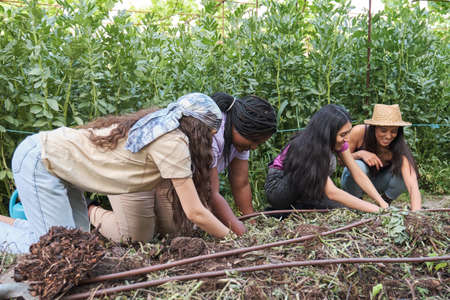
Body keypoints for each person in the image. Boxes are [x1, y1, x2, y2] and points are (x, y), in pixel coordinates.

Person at [0, 93, 232, 254]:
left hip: (58, 167)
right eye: (210, 135)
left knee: (78, 247)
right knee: (54, 249)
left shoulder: (163, 127)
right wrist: (233, 241)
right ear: (201, 131)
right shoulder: (173, 142)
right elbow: (195, 212)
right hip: (41, 160)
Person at [89, 92, 277, 241]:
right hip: (131, 168)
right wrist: (239, 235)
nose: (253, 147)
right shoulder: (212, 134)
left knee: (174, 231)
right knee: (134, 237)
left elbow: (240, 183)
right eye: (253, 141)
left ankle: (144, 216)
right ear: (238, 127)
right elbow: (211, 194)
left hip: (165, 175)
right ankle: (90, 209)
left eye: (258, 144)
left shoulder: (241, 139)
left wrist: (251, 221)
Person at [264, 104, 388, 212]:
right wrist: (375, 209)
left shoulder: (337, 142)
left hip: (304, 188)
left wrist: (382, 203)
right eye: (343, 134)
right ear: (327, 133)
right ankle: (292, 207)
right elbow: (332, 192)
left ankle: (303, 205)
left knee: (344, 208)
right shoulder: (309, 147)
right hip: (279, 187)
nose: (348, 139)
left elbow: (357, 173)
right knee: (341, 205)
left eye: (349, 132)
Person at [341, 104, 421, 211]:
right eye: (383, 130)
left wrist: (416, 214)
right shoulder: (359, 132)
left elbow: (412, 186)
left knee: (404, 173)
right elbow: (341, 161)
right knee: (357, 166)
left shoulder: (398, 146)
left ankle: (384, 203)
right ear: (374, 128)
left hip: (379, 182)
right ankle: (356, 204)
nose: (388, 136)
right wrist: (360, 154)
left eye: (393, 131)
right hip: (354, 181)